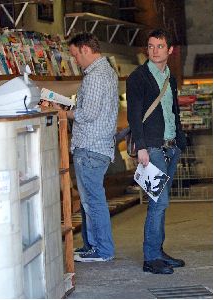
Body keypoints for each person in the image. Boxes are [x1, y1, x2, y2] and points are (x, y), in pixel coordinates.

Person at [126, 28, 187, 274]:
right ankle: (151, 258)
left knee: (162, 203)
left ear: (170, 50)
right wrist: (141, 147)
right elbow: (134, 115)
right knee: (157, 202)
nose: (154, 51)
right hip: (151, 148)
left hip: (171, 148)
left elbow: (173, 111)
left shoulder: (170, 77)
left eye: (160, 46)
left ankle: (158, 251)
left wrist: (181, 142)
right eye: (150, 46)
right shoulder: (138, 77)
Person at [66, 32, 119, 262]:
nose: (75, 61)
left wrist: (63, 112)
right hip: (97, 147)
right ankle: (91, 245)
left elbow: (88, 113)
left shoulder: (96, 76)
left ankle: (102, 249)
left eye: (75, 55)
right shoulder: (105, 70)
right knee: (90, 199)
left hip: (91, 147)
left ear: (85, 49)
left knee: (93, 201)